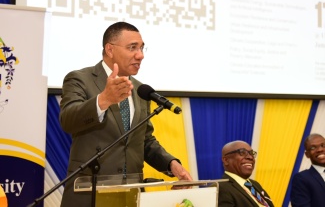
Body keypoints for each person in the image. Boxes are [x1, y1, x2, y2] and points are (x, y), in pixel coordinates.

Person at [59, 21, 192, 206]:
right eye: (132, 48)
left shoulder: (140, 90)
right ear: (110, 49)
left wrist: (171, 164)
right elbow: (68, 120)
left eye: (142, 48)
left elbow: (144, 140)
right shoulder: (80, 79)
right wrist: (104, 99)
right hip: (90, 195)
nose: (141, 55)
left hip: (130, 196)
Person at [218, 140, 274, 207]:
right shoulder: (221, 188)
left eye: (251, 153)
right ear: (226, 160)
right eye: (242, 152)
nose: (250, 157)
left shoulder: (255, 184)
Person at [290, 133, 325, 206]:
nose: (320, 150)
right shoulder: (301, 179)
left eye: (323, 145)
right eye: (313, 148)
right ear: (307, 154)